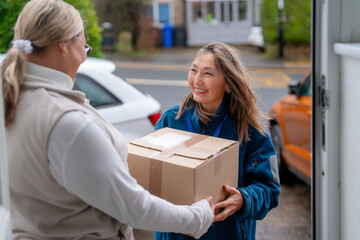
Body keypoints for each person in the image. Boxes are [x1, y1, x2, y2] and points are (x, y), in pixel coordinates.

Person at [1, 0, 214, 239]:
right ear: (63, 45)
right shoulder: (67, 124)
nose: (84, 55)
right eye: (83, 43)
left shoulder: (12, 100)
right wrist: (197, 217)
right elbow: (132, 207)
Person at [153, 42, 281, 240]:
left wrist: (244, 199)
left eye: (208, 73)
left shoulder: (252, 129)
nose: (197, 80)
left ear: (228, 83)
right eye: (194, 70)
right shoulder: (171, 121)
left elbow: (269, 191)